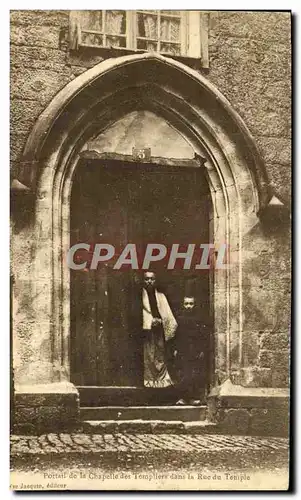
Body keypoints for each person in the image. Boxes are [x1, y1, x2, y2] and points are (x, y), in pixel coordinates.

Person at [140, 271, 178, 388]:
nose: (149, 281)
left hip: (160, 330)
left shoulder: (161, 297)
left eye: (152, 279)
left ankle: (162, 383)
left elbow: (166, 314)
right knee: (149, 356)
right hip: (147, 331)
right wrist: (150, 321)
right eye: (147, 279)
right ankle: (149, 382)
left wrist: (161, 321)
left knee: (160, 355)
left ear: (155, 281)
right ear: (143, 280)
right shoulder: (139, 296)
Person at [174, 296, 208, 405]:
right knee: (183, 374)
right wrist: (175, 349)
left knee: (194, 374)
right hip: (183, 351)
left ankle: (193, 398)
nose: (188, 306)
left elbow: (203, 336)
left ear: (194, 305)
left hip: (195, 351)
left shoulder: (199, 319)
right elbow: (177, 335)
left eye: (191, 304)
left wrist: (202, 350)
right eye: (186, 304)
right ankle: (183, 398)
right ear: (183, 305)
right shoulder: (179, 319)